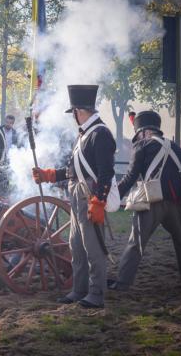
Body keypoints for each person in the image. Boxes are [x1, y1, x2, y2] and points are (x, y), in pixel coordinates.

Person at [32, 85, 116, 309]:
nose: (74, 118)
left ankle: (97, 293)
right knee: (76, 245)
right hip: (77, 192)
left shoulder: (101, 134)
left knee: (93, 247)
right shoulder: (85, 135)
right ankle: (79, 290)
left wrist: (99, 201)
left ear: (79, 111)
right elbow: (73, 170)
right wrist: (49, 175)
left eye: (74, 113)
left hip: (89, 195)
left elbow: (106, 172)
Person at [108, 111, 181, 292]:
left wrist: (112, 195)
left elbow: (130, 177)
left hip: (152, 201)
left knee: (136, 243)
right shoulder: (176, 148)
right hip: (175, 203)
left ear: (143, 132)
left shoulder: (142, 146)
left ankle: (123, 283)